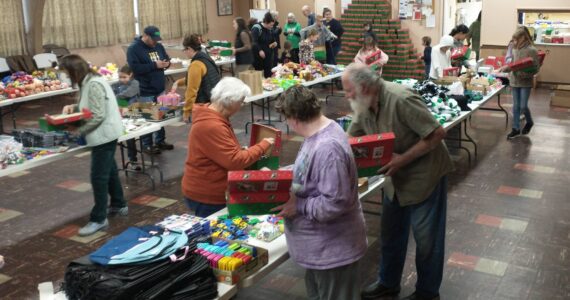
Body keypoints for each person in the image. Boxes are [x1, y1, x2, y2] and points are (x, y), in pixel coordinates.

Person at [342, 63, 453, 300]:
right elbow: (350, 139)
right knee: (391, 234)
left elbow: (436, 134)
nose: (346, 96)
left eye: (348, 90)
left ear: (363, 87)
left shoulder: (400, 99)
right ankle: (388, 283)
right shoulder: (363, 105)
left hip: (425, 177)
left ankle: (427, 293)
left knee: (426, 241)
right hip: (395, 180)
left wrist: (402, 159)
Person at [272, 85, 367, 300]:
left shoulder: (327, 148)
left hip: (334, 252)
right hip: (320, 250)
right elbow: (309, 168)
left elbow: (334, 204)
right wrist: (279, 175)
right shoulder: (321, 130)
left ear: (294, 117)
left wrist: (299, 206)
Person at [181, 77, 275, 217]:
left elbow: (221, 153)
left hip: (209, 189)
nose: (241, 105)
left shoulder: (214, 117)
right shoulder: (212, 125)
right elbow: (234, 161)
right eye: (241, 102)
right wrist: (263, 146)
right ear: (230, 101)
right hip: (207, 195)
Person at [60, 55, 127, 236]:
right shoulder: (88, 81)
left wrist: (78, 131)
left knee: (98, 176)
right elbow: (91, 105)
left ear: (74, 71)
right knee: (110, 169)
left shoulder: (94, 83)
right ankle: (119, 203)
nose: (66, 77)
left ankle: (98, 218)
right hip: (105, 134)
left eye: (67, 73)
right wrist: (74, 108)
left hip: (104, 136)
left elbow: (97, 115)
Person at [126, 25, 174, 154]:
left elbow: (166, 59)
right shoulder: (133, 49)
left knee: (160, 115)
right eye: (153, 39)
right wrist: (155, 65)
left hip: (159, 87)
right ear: (145, 36)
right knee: (147, 118)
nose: (155, 42)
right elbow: (135, 69)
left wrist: (167, 64)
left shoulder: (158, 46)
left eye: (157, 39)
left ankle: (160, 140)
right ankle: (147, 145)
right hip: (144, 89)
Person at [498, 26, 539, 139]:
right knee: (515, 106)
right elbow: (513, 65)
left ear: (523, 38)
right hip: (514, 81)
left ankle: (529, 122)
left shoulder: (532, 50)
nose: (515, 41)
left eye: (517, 39)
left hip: (525, 82)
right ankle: (515, 128)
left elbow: (536, 68)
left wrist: (525, 73)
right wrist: (506, 68)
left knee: (523, 106)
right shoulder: (515, 49)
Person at [172, 34, 221, 123]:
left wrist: (186, 112)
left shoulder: (196, 64)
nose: (184, 52)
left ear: (189, 48)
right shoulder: (205, 57)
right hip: (214, 102)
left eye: (184, 50)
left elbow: (192, 90)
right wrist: (178, 82)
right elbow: (196, 78)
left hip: (204, 105)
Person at [111, 65, 140, 170]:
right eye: (120, 77)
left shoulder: (135, 83)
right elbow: (110, 91)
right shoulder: (116, 84)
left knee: (130, 138)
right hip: (120, 115)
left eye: (124, 77)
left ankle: (133, 160)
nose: (122, 80)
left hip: (133, 114)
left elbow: (129, 93)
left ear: (130, 75)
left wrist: (116, 97)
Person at [251, 12, 278, 78]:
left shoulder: (270, 29)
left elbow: (272, 39)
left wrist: (275, 43)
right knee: (258, 74)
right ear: (266, 22)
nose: (272, 27)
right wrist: (260, 50)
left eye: (273, 25)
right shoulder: (256, 28)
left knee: (268, 73)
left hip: (268, 56)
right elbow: (254, 42)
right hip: (258, 56)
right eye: (271, 25)